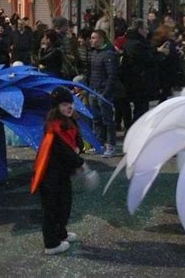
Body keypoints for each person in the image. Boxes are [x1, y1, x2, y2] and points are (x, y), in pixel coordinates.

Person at [30, 86, 86, 255]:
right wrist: (81, 163)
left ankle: (60, 233)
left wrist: (78, 149)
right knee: (51, 209)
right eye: (63, 104)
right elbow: (65, 152)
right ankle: (51, 243)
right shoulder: (52, 129)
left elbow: (78, 142)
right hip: (49, 176)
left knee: (64, 205)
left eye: (70, 103)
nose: (68, 107)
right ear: (56, 108)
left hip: (61, 174)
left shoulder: (69, 122)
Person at [88, 29, 118, 157]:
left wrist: (106, 92)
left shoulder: (108, 54)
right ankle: (98, 143)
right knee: (96, 119)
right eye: (91, 38)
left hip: (102, 91)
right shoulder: (94, 53)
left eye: (94, 38)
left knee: (107, 120)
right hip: (93, 90)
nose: (91, 40)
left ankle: (110, 145)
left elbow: (112, 75)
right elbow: (92, 72)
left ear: (101, 39)